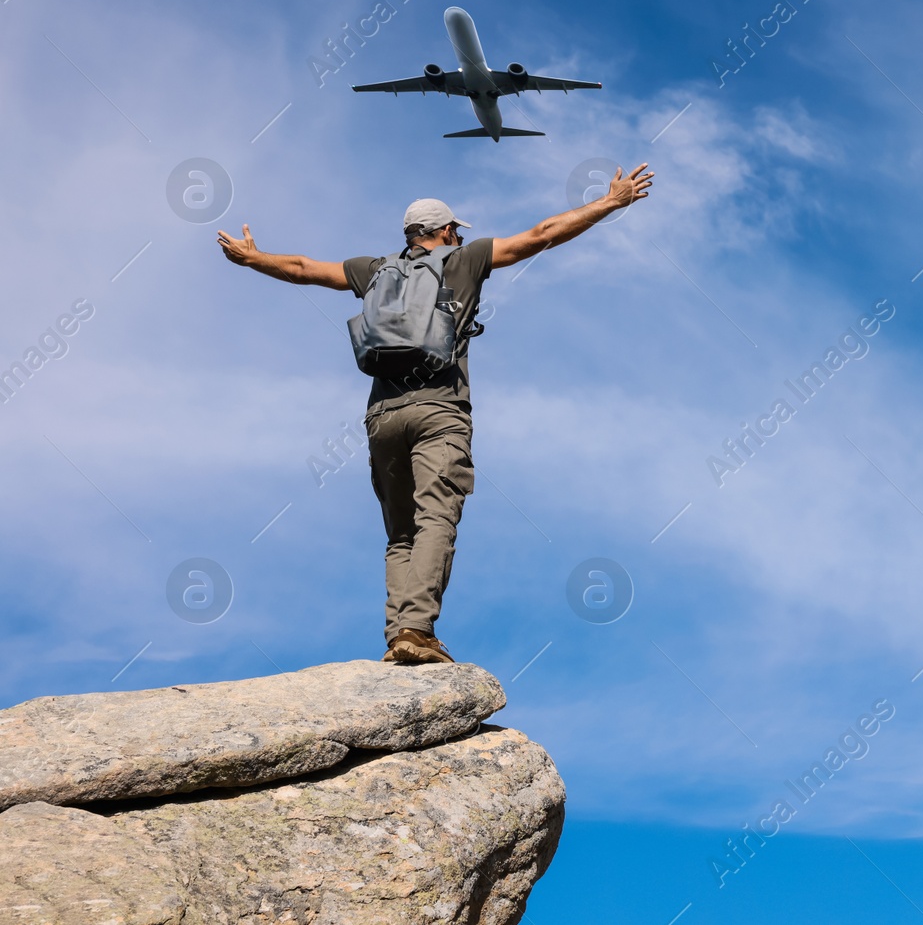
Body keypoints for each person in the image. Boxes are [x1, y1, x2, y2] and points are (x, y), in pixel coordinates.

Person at [216, 164, 653, 663]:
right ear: (445, 231)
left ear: (408, 235)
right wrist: (610, 203)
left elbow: (299, 267)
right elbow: (543, 234)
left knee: (400, 533)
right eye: (455, 229)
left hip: (382, 415)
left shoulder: (373, 269)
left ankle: (397, 634)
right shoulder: (464, 261)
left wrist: (252, 259)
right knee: (436, 517)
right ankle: (416, 632)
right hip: (440, 410)